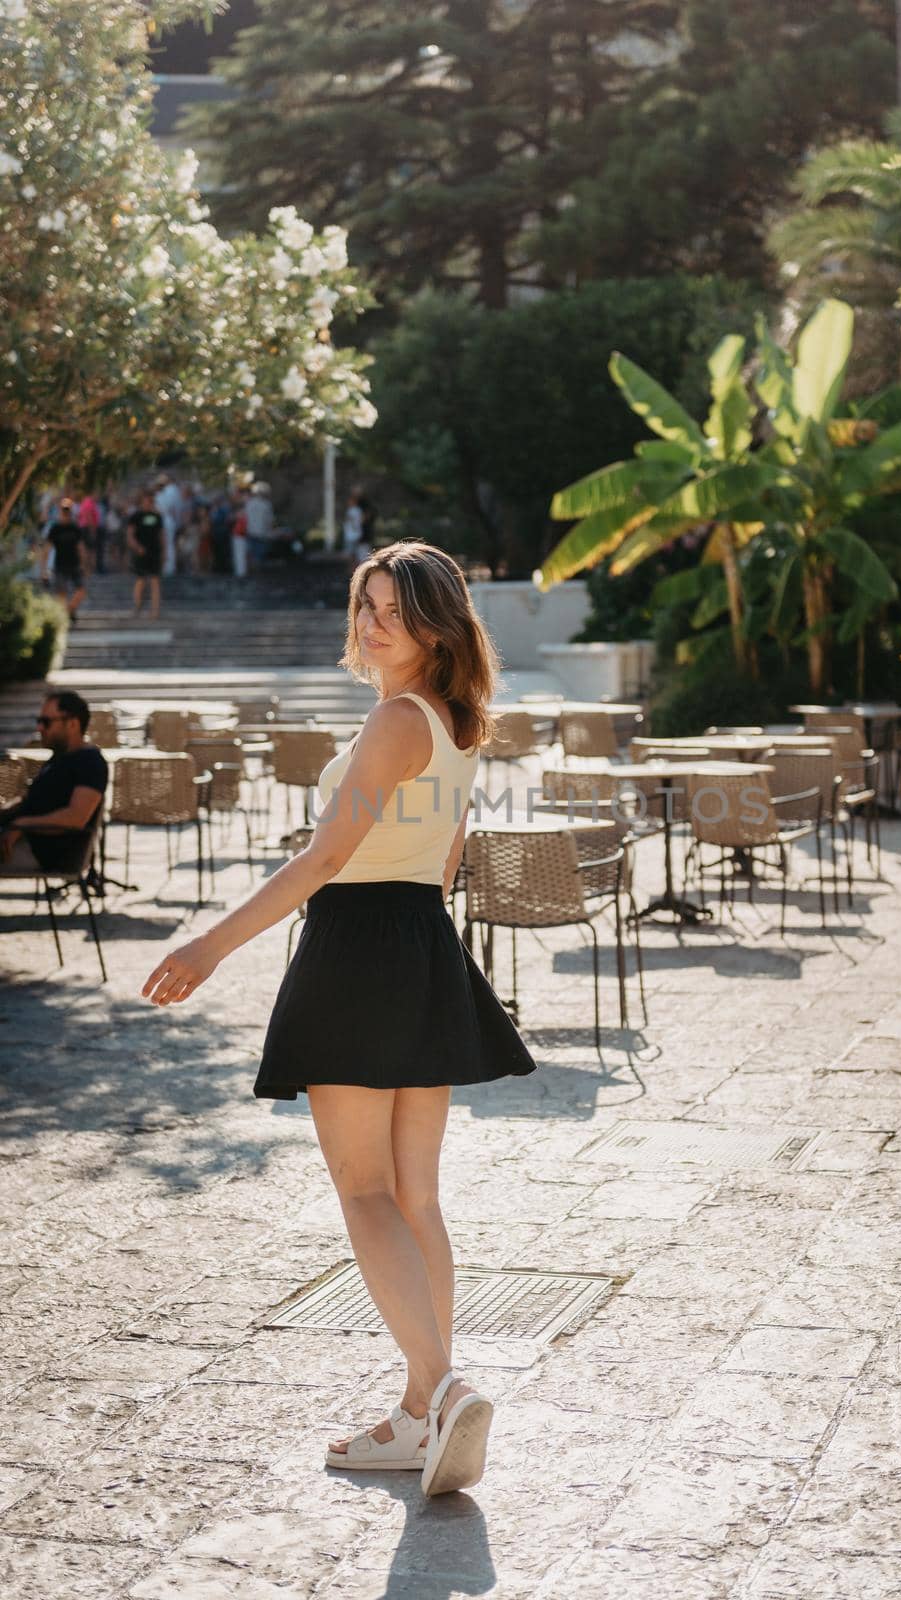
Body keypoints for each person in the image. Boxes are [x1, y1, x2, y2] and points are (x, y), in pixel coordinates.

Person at [142, 541, 537, 1497]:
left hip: (361, 946)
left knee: (366, 1193)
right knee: (416, 1196)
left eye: (390, 611)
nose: (368, 624)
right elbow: (444, 859)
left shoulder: (396, 722)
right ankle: (418, 1412)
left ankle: (441, 1390)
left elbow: (324, 860)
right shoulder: (451, 722)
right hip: (421, 942)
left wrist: (209, 946)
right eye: (362, 605)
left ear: (434, 627)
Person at [0, 691, 108, 873]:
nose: (40, 728)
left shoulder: (90, 763)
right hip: (20, 840)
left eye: (47, 722)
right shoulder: (60, 756)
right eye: (39, 721)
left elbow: (75, 818)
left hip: (44, 853)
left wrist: (22, 825)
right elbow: (31, 801)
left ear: (73, 724)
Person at [40, 499, 89, 624]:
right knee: (61, 594)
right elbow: (46, 550)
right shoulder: (55, 528)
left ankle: (69, 610)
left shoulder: (75, 528)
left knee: (81, 591)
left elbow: (81, 547)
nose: (66, 512)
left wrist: (84, 564)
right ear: (60, 511)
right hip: (60, 564)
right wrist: (44, 570)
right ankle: (63, 620)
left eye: (68, 510)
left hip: (75, 564)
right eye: (64, 510)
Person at [127, 489, 165, 619]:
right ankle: (137, 607)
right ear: (142, 501)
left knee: (155, 581)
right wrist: (137, 547)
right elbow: (130, 535)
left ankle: (155, 611)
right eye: (147, 500)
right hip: (141, 552)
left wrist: (164, 552)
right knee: (141, 580)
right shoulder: (136, 516)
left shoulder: (157, 517)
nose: (149, 503)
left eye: (151, 501)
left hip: (154, 552)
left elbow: (161, 535)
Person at [154, 472, 183, 577]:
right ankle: (166, 567)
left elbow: (171, 507)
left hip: (166, 519)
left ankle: (169, 567)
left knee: (168, 544)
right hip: (167, 519)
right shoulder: (168, 491)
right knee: (166, 544)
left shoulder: (170, 490)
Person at [245, 480, 274, 568]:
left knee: (253, 553)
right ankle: (258, 571)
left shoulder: (249, 503)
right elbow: (269, 520)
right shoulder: (267, 504)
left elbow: (246, 518)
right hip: (262, 533)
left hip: (250, 531)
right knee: (260, 554)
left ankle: (253, 570)